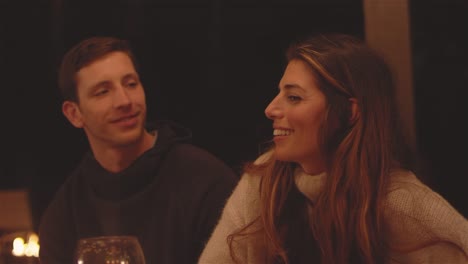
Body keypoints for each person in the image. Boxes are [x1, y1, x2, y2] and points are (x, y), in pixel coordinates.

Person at [198, 33, 468, 264]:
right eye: (278, 93)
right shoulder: (263, 183)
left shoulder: (399, 201)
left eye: (294, 97)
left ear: (349, 112)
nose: (271, 109)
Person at [38, 36, 238, 264]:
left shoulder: (206, 182)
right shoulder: (63, 215)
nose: (124, 100)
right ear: (74, 114)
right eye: (103, 91)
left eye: (130, 84)